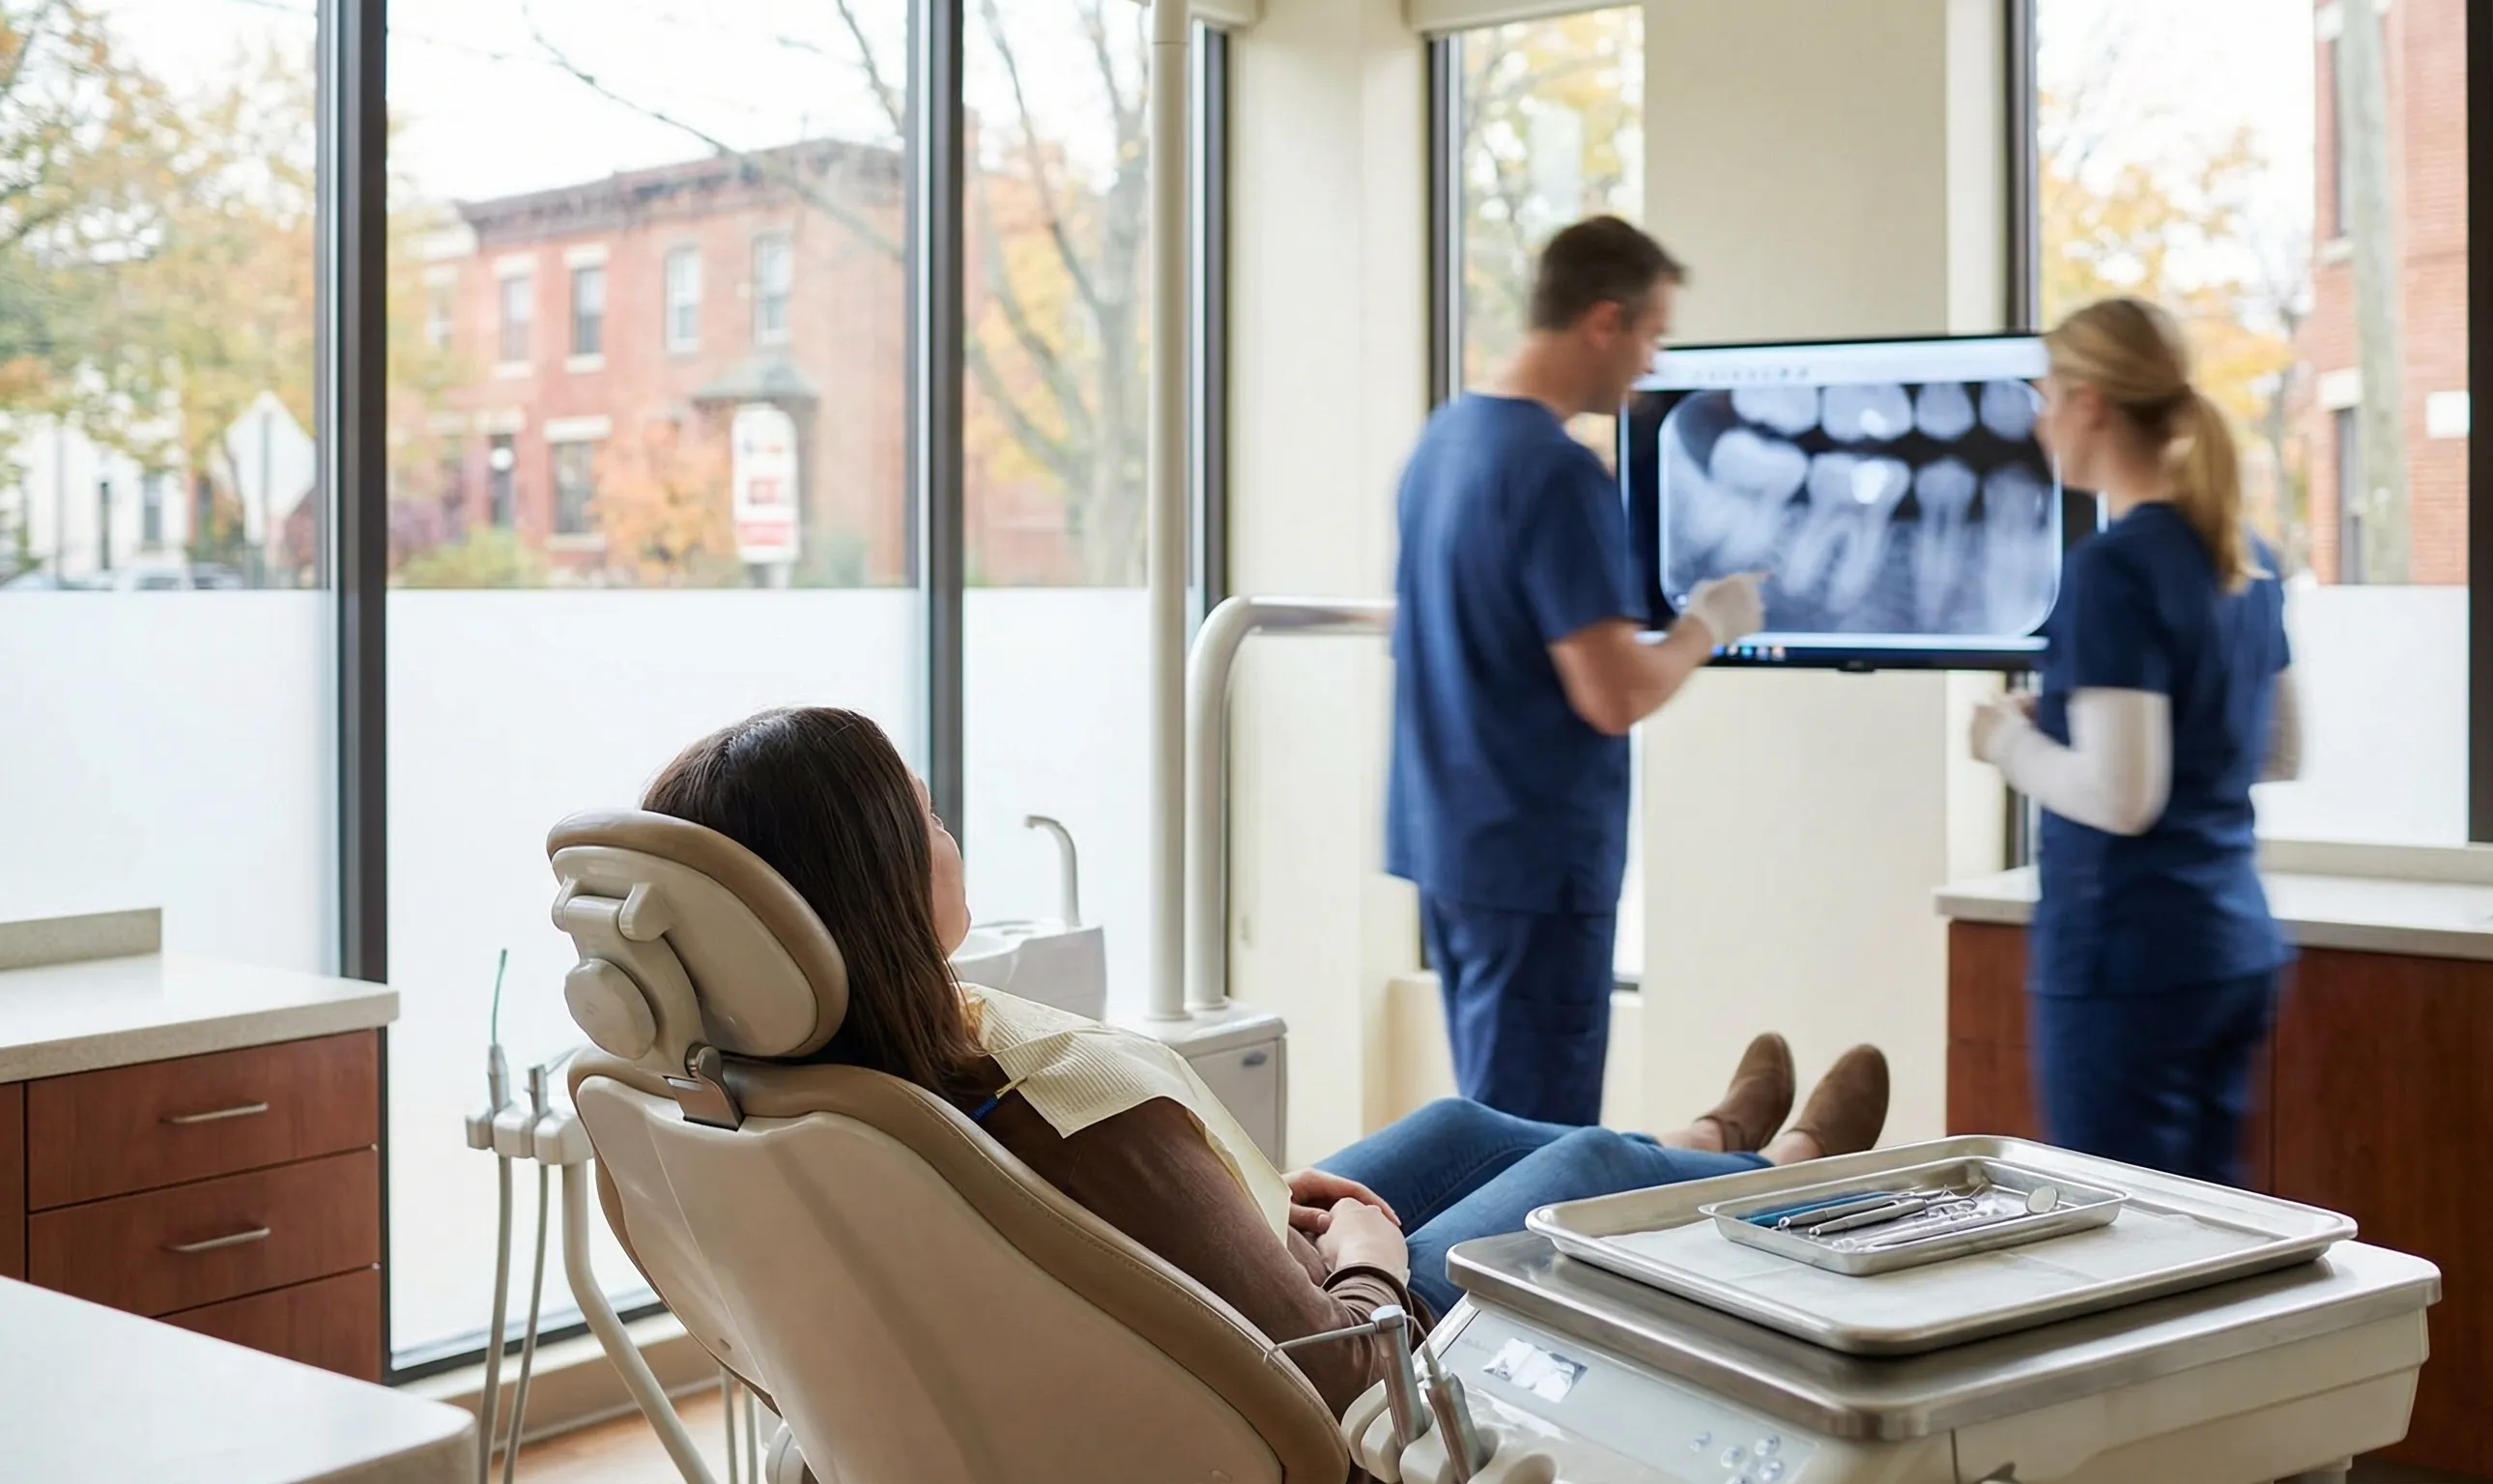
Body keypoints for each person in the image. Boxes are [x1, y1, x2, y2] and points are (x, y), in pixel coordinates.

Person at [642, 706, 1890, 1417]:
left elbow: (1104, 1226)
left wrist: (1231, 1211)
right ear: (870, 886)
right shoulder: (1062, 1111)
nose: (949, 835)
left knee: (1458, 1124)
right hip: (1352, 1352)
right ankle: (1782, 1169)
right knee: (1585, 1165)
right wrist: (1367, 1259)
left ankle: (1707, 1145)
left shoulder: (786, 1082)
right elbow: (1338, 1373)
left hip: (1162, 1279)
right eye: (926, 817)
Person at [1388, 215, 1770, 1126]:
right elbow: (1615, 693)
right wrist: (1709, 625)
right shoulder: (1556, 473)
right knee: (1533, 1143)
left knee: (1488, 1118)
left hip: (1452, 841)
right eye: (1653, 334)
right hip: (1535, 862)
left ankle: (1713, 1141)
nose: (1653, 362)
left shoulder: (1445, 440)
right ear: (1605, 321)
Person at [1967, 297, 2304, 1186]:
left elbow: (2124, 799)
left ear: (2090, 404)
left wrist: (2005, 743)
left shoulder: (2113, 568)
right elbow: (2275, 748)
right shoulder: (2245, 555)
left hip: (2130, 959)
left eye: (2046, 397)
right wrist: (2072, 725)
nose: (2038, 422)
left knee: (2129, 1234)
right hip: (2228, 947)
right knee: (2210, 1227)